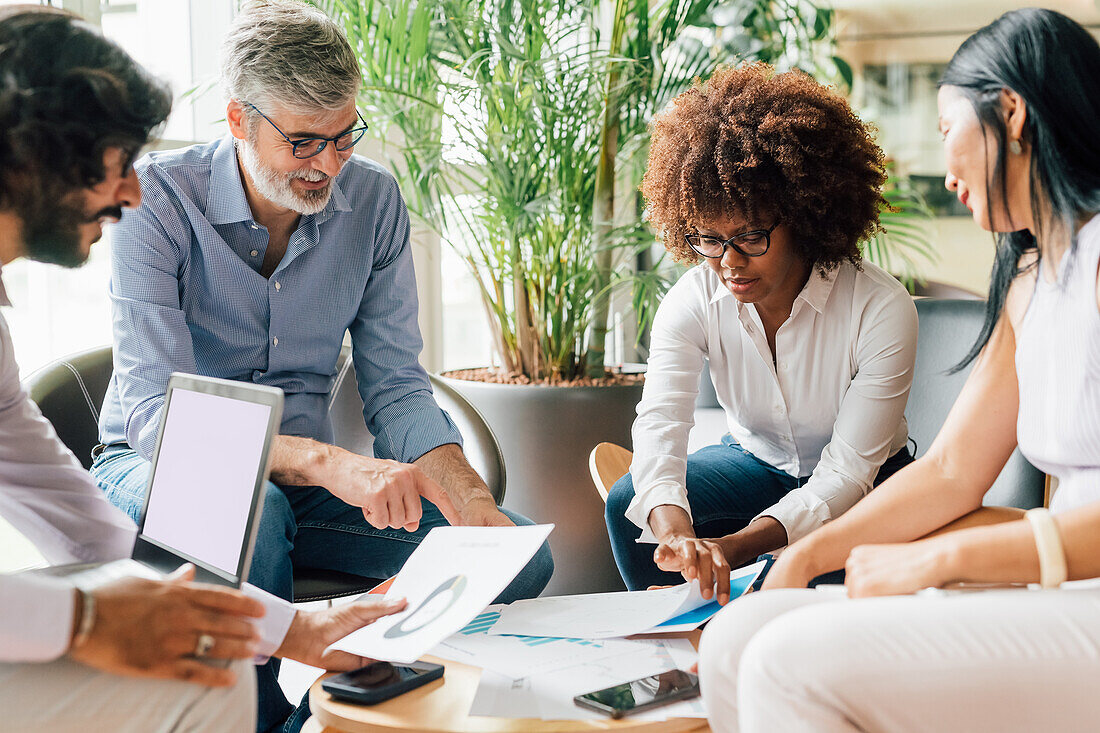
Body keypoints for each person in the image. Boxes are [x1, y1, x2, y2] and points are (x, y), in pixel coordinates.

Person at [88, 2, 552, 729]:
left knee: (514, 555)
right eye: (304, 143)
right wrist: (330, 464)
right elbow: (157, 420)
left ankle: (359, 698)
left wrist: (469, 501)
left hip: (301, 483)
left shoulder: (372, 201)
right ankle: (262, 721)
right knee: (254, 509)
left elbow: (396, 384)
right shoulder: (156, 201)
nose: (328, 165)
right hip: (154, 466)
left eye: (344, 137)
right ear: (240, 122)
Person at [0, 8, 406, 733]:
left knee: (212, 664)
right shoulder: (164, 205)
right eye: (115, 162)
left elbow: (87, 530)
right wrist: (88, 615)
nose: (131, 193)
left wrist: (282, 628)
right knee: (211, 670)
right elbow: (153, 430)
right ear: (29, 160)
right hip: (143, 491)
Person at [697, 8, 1100, 732]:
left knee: (786, 664)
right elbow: (949, 470)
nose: (946, 173)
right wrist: (802, 554)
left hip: (1085, 596)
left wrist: (940, 561)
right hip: (1058, 582)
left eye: (948, 133)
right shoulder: (1033, 282)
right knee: (735, 637)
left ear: (1010, 112)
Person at [604, 62, 917, 601]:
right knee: (629, 500)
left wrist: (738, 545)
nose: (728, 262)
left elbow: (844, 475)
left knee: (820, 585)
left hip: (871, 483)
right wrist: (680, 539)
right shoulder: (694, 297)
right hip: (756, 461)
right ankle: (683, 642)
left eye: (749, 237)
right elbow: (660, 426)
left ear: (804, 216)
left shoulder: (879, 307)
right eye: (708, 238)